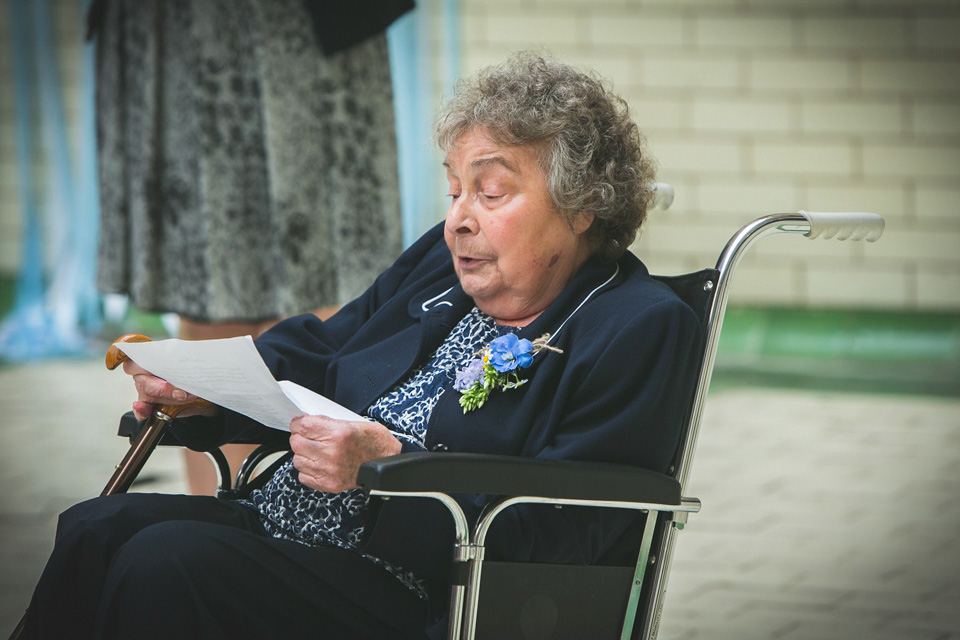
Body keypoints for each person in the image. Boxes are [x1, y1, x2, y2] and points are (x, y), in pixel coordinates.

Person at [21, 52, 702, 640]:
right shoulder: (440, 271)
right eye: (454, 190)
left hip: (420, 587)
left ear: (581, 203)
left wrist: (393, 466)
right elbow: (322, 350)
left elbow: (573, 529)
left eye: (491, 192)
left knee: (168, 559)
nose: (458, 220)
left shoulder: (636, 325)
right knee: (96, 529)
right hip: (290, 526)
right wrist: (203, 388)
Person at [88, 0, 412, 494]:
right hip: (176, 27)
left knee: (326, 272)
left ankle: (313, 522)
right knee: (203, 270)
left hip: (308, 29)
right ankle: (219, 516)